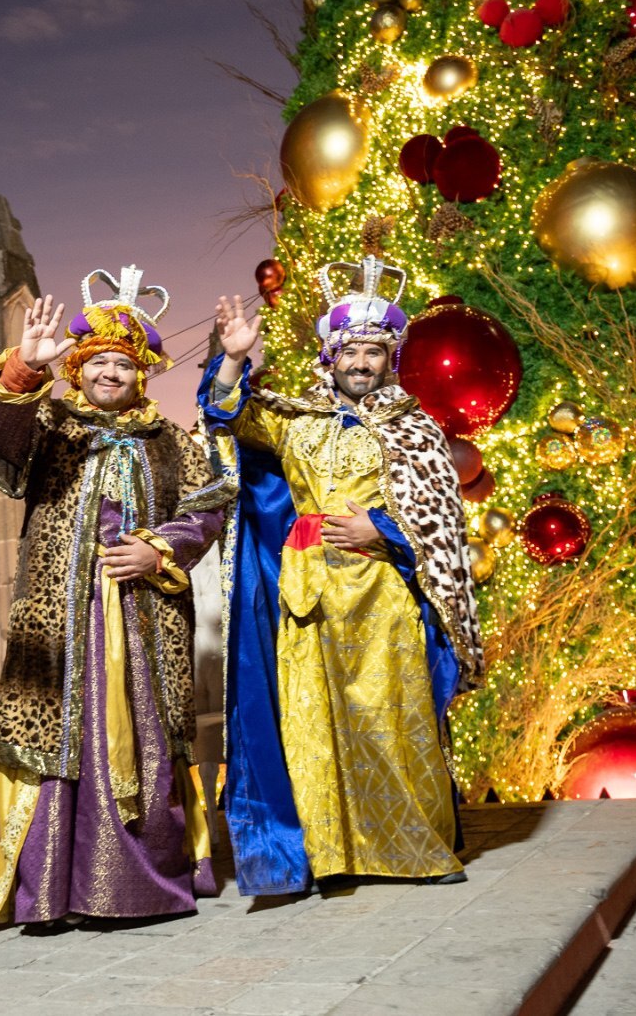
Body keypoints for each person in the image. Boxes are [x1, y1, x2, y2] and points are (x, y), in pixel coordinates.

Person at [0, 268, 233, 937]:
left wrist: (159, 550)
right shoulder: (48, 424)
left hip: (143, 618)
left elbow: (212, 502)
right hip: (58, 618)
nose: (111, 374)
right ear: (78, 369)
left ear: (141, 374)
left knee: (140, 733)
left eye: (124, 364)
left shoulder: (168, 439)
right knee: (54, 735)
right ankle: (47, 891)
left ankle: (136, 887)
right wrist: (24, 365)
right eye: (99, 362)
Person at [198, 255, 484, 896]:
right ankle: (331, 855)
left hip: (381, 591)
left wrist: (380, 532)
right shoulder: (294, 419)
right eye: (350, 351)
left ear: (390, 360)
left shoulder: (416, 428)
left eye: (373, 353)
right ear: (330, 357)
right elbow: (225, 417)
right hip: (307, 595)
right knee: (313, 725)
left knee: (391, 720)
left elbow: (441, 523)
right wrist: (236, 359)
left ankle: (415, 850)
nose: (361, 362)